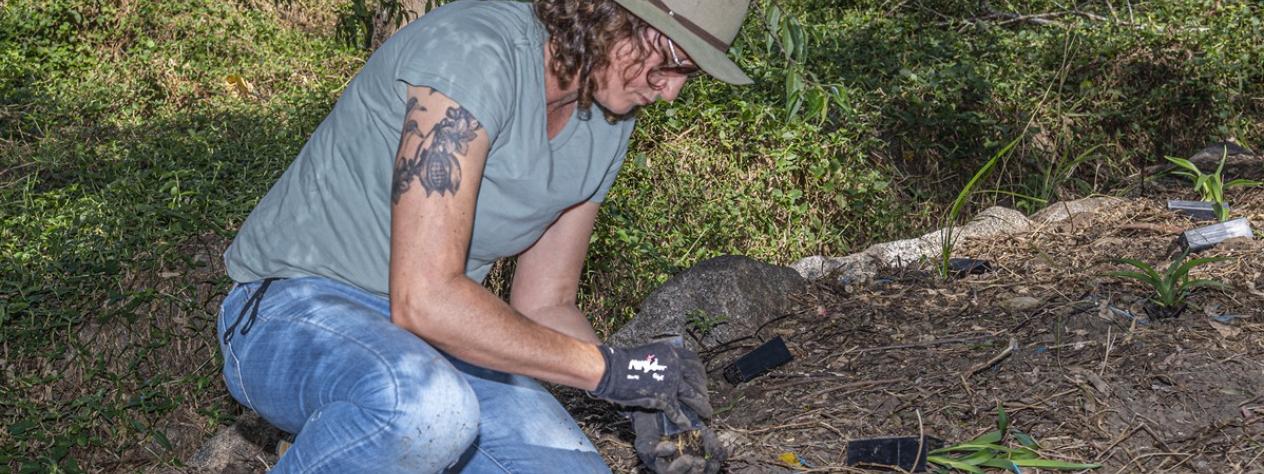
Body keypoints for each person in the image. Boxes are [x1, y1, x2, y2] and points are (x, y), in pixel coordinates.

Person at [215, 0, 753, 472]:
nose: (672, 91)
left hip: (435, 341)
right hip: (292, 305)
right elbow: (424, 299)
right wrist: (612, 371)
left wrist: (644, 396)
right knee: (425, 410)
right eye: (670, 60)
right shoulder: (475, 52)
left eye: (691, 74)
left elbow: (545, 303)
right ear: (608, 14)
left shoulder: (609, 117)